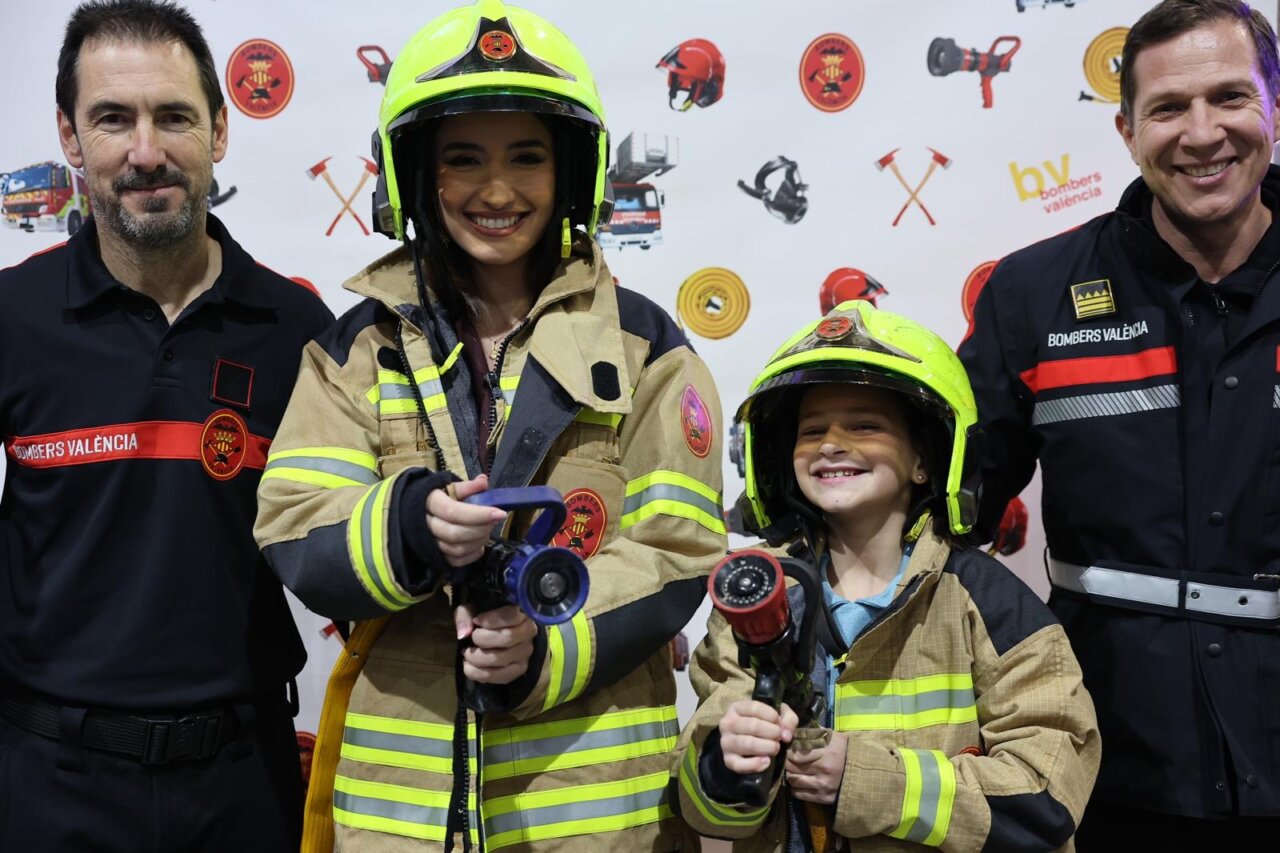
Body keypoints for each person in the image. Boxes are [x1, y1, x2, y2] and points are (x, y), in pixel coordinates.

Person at [253, 2, 726, 850]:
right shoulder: (357, 347)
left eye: (529, 158)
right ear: (412, 176)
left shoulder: (646, 346)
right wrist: (405, 523)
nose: (498, 191)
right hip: (400, 820)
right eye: (463, 159)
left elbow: (678, 546)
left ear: (574, 170)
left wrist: (550, 644)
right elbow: (294, 517)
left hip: (596, 820)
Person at [0, 1, 333, 850]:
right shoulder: (12, 317)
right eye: (113, 119)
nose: (145, 152)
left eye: (174, 117)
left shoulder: (297, 327)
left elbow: (351, 537)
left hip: (243, 781)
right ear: (71, 140)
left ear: (221, 130)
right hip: (48, 785)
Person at [958, 0, 1280, 846]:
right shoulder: (1032, 296)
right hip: (1103, 768)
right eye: (1170, 108)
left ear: (1274, 109)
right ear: (1126, 129)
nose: (1202, 133)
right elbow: (941, 516)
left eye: (1230, 98)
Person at [674, 301, 1099, 852]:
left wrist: (868, 781)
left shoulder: (989, 601)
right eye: (811, 430)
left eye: (864, 425)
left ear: (926, 460)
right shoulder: (760, 593)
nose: (831, 443)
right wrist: (722, 767)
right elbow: (710, 812)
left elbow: (1047, 799)